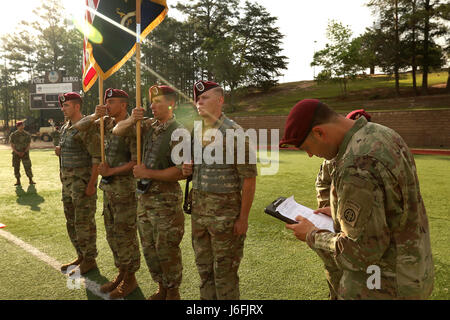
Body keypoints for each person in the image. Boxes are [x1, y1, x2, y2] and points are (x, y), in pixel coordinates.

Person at [281, 99, 434, 299]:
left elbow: (361, 252)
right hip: (413, 270)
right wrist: (337, 211)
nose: (310, 155)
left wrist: (311, 234)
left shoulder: (357, 164)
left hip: (383, 285)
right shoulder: (381, 132)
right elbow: (389, 206)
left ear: (319, 132)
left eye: (306, 147)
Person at [181, 80, 257, 300]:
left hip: (226, 219)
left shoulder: (234, 132)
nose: (199, 102)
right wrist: (188, 166)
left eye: (204, 98)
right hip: (200, 216)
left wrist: (243, 219)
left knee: (225, 275)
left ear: (220, 100)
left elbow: (249, 180)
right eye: (197, 99)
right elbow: (200, 167)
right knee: (204, 271)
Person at [113, 85, 185, 300]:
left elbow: (181, 172)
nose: (152, 106)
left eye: (158, 102)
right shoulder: (147, 126)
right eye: (152, 102)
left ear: (171, 103)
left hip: (166, 202)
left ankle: (172, 291)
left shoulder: (178, 131)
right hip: (144, 199)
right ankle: (161, 287)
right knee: (149, 249)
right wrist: (130, 119)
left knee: (167, 249)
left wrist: (148, 173)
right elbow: (117, 131)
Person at [72, 88, 141, 299]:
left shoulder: (132, 127)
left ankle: (130, 278)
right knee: (112, 235)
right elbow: (78, 128)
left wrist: (111, 171)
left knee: (125, 235)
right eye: (106, 102)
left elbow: (135, 161)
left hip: (124, 191)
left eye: (111, 102)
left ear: (124, 105)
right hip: (109, 190)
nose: (108, 105)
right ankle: (121, 272)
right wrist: (95, 115)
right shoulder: (105, 123)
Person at [313, 109, 372, 299]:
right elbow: (322, 181)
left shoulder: (371, 154)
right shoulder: (333, 156)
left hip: (359, 230)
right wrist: (327, 206)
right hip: (335, 224)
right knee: (334, 269)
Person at [56, 92, 101, 276]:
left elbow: (96, 158)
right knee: (72, 222)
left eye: (66, 105)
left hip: (82, 184)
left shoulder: (87, 127)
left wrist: (91, 184)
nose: (63, 108)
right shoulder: (66, 127)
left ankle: (90, 259)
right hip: (67, 183)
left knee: (84, 223)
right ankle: (81, 255)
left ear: (77, 106)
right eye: (63, 105)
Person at [10, 121, 35, 186]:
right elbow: (12, 145)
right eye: (20, 125)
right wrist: (17, 152)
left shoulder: (27, 134)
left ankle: (30, 179)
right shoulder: (13, 135)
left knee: (28, 166)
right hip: (16, 154)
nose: (21, 126)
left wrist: (24, 152)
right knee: (16, 167)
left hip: (25, 153)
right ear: (17, 126)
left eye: (22, 125)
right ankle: (18, 180)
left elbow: (28, 144)